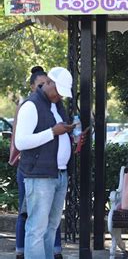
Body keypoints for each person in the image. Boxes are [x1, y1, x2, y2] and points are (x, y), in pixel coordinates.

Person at [15, 67, 74, 259]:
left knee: (51, 227)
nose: (59, 97)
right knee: (36, 229)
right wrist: (52, 132)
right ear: (48, 83)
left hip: (58, 174)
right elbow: (20, 142)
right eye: (58, 91)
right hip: (40, 176)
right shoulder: (31, 106)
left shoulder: (56, 106)